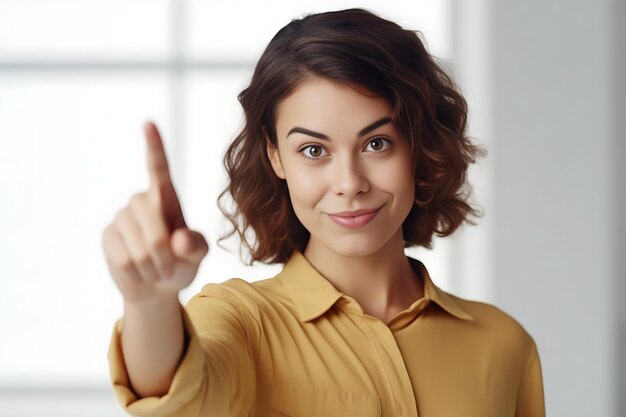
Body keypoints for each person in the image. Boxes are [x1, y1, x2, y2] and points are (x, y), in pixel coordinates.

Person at [102, 8, 545, 417]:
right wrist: (148, 302)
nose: (350, 183)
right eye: (314, 150)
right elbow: (176, 398)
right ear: (276, 157)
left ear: (419, 144)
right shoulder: (243, 323)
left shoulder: (504, 345)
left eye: (377, 143)